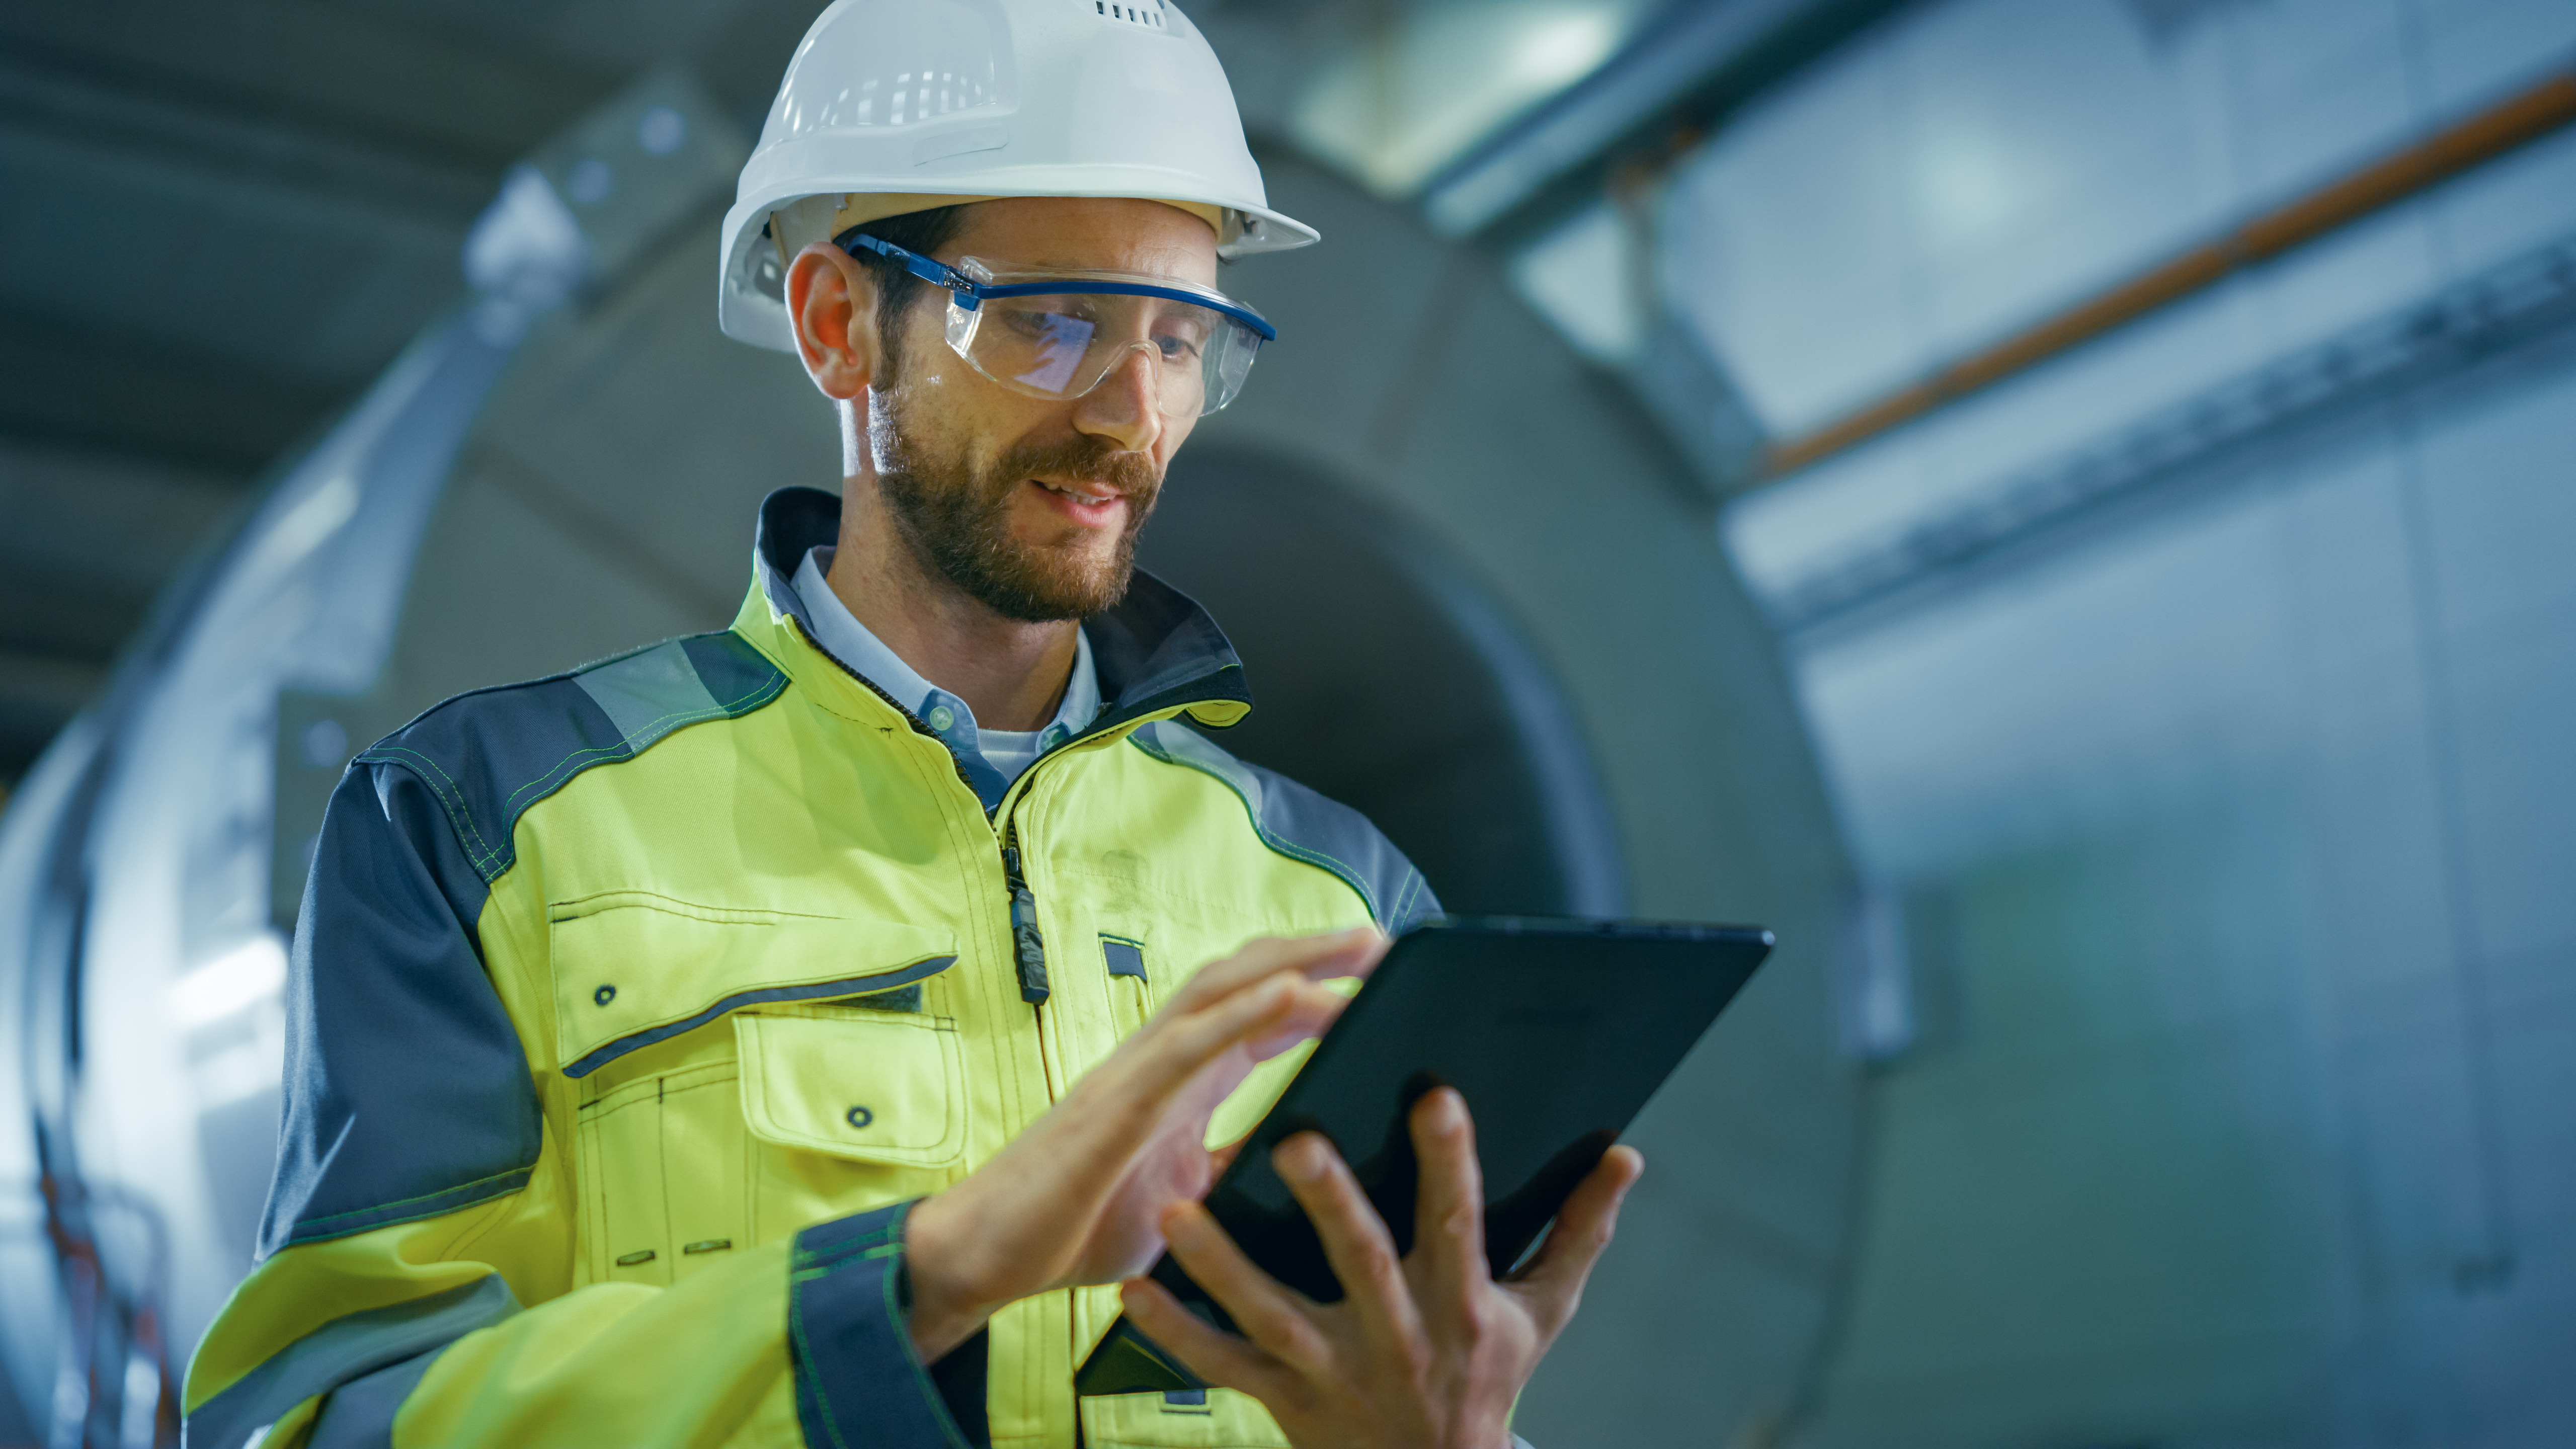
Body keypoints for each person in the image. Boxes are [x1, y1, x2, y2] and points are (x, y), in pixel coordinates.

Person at [182, 3, 1641, 1445]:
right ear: (836, 326)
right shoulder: (486, 828)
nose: (1131, 416)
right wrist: (926, 1273)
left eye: (1183, 340)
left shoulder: (1341, 897)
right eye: (1052, 320)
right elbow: (333, 1423)